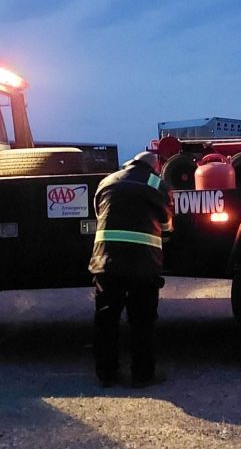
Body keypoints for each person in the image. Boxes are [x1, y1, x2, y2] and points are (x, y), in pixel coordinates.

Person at [89, 151, 172, 388]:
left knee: (106, 319)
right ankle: (142, 376)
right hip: (142, 264)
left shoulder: (107, 181)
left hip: (106, 261)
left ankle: (106, 375)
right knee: (142, 320)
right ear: (154, 167)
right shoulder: (157, 183)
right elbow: (166, 224)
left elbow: (100, 214)